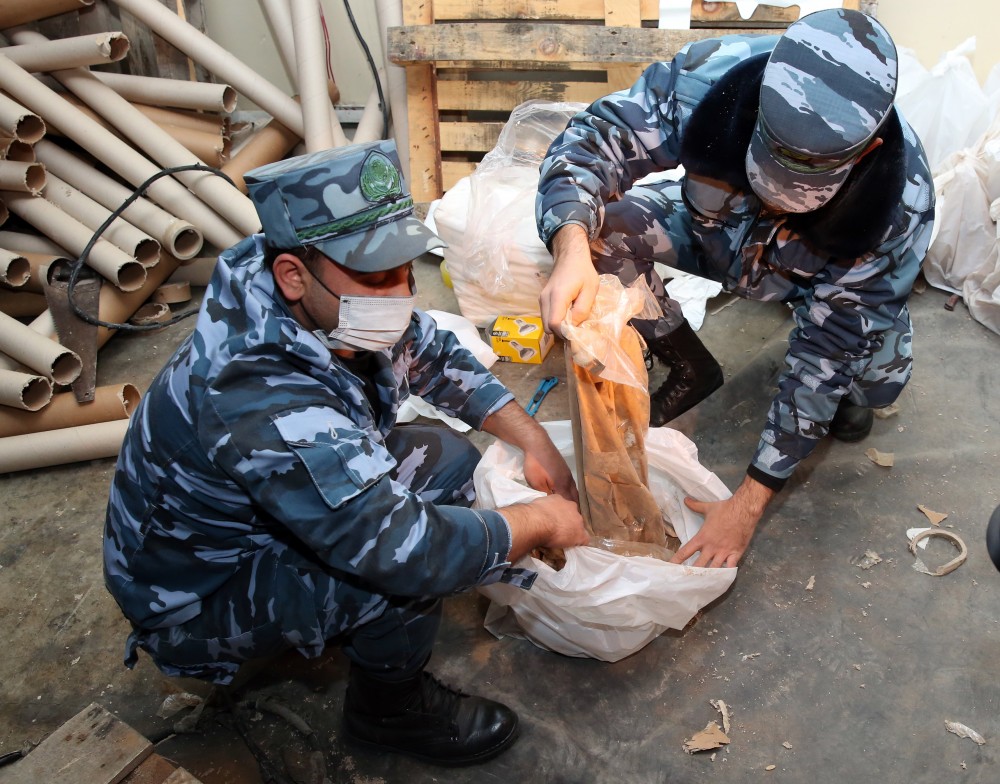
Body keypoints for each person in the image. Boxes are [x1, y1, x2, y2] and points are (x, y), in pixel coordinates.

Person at [103, 140, 588, 767]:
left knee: (444, 460)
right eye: (377, 276)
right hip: (196, 597)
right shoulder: (258, 395)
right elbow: (404, 552)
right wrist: (543, 522)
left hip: (255, 529)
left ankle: (331, 626)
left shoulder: (316, 297)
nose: (399, 294)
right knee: (399, 570)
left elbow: (431, 354)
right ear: (294, 274)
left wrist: (531, 436)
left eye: (405, 271)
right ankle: (389, 714)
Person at [535, 9, 934, 569]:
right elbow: (592, 142)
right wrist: (571, 244)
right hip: (718, 235)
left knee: (872, 370)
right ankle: (691, 362)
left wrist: (746, 504)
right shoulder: (708, 79)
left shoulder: (901, 204)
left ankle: (845, 395)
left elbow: (831, 345)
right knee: (602, 235)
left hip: (820, 273)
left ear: (864, 154)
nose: (776, 199)